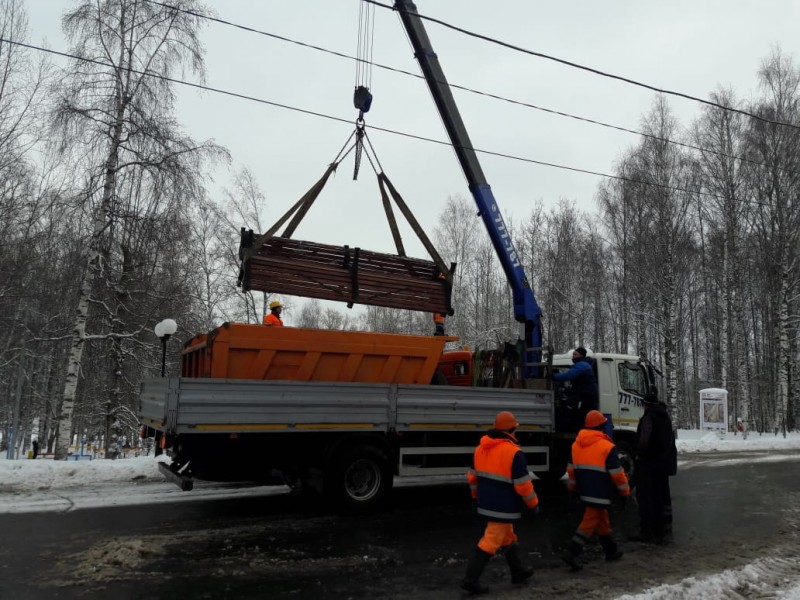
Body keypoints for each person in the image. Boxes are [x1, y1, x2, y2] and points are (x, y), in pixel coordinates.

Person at [461, 411, 539, 595]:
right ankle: (470, 580)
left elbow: (472, 478)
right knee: (491, 541)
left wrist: (474, 498)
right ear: (511, 431)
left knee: (508, 536)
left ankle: (517, 571)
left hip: (486, 502)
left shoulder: (480, 448)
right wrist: (533, 504)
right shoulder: (514, 452)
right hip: (503, 506)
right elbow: (523, 486)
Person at [562, 410, 630, 571]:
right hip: (600, 491)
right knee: (589, 521)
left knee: (602, 519)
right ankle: (571, 552)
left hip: (584, 489)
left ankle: (610, 551)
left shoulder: (576, 445)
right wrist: (625, 492)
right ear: (602, 426)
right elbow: (617, 474)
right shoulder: (607, 447)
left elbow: (571, 470)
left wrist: (572, 488)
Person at [630, 397, 677, 544]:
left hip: (648, 462)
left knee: (645, 496)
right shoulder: (665, 417)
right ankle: (660, 528)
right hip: (661, 463)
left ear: (646, 405)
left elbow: (644, 440)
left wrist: (638, 453)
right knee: (659, 495)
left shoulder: (649, 417)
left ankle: (646, 530)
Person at [553, 347, 599, 428]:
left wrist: (553, 376)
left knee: (575, 409)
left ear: (581, 355)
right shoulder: (582, 364)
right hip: (586, 393)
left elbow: (569, 375)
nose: (573, 356)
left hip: (587, 395)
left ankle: (573, 426)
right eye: (573, 354)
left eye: (575, 354)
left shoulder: (583, 365)